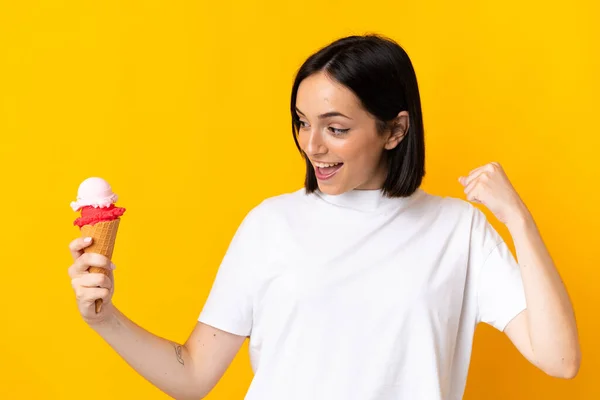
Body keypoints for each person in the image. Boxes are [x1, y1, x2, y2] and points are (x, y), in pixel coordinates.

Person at [67, 34, 581, 400]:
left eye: (335, 127)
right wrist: (104, 317)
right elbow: (193, 377)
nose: (312, 146)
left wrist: (517, 217)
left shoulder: (458, 231)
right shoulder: (270, 224)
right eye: (301, 122)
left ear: (395, 131)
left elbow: (560, 360)